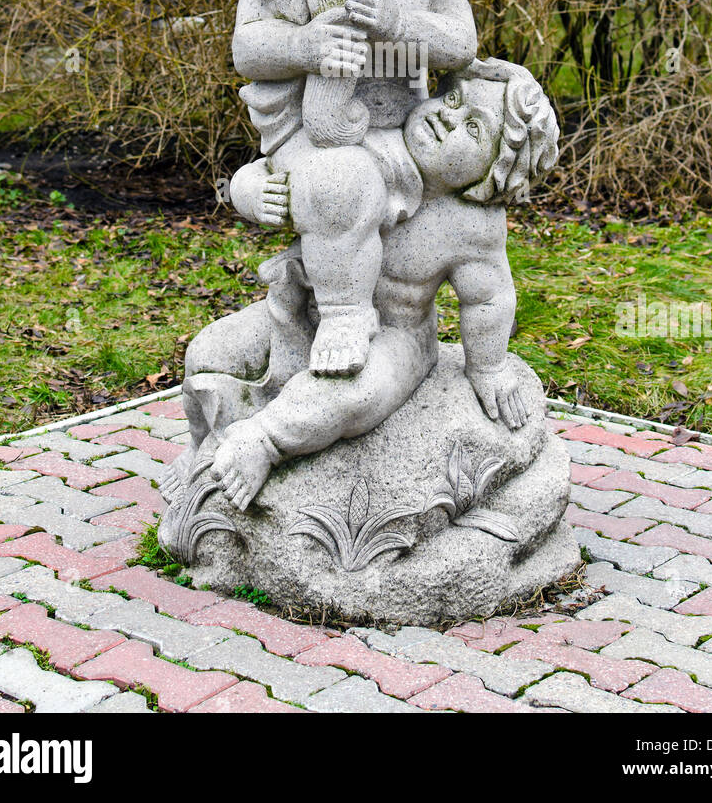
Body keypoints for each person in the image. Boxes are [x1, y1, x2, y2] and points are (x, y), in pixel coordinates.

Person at [230, 0, 500, 379]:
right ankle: (345, 312)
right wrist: (305, 45)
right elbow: (248, 49)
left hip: (406, 135)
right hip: (314, 135)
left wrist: (399, 22)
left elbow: (460, 43)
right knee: (341, 182)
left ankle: (455, 346)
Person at [202, 58, 559, 511]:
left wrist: (488, 368)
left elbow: (486, 298)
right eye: (452, 98)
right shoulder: (367, 146)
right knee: (209, 353)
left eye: (473, 129)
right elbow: (266, 169)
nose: (448, 116)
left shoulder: (472, 225)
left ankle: (265, 440)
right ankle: (201, 459)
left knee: (358, 391)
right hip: (303, 309)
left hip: (398, 334)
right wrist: (252, 194)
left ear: (493, 174)